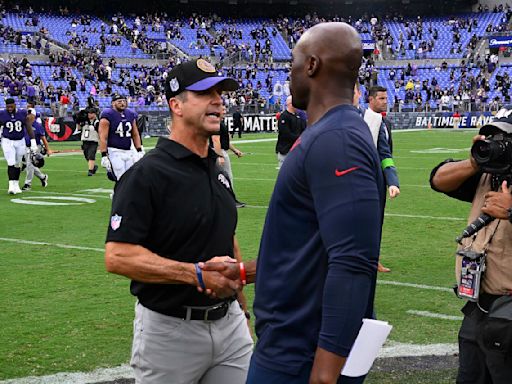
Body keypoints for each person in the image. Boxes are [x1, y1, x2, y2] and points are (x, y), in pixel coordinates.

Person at [222, 22, 383, 384]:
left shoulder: (337, 138)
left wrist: (325, 374)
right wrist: (245, 272)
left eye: (293, 60)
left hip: (300, 354)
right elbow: (312, 247)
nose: (289, 70)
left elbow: (353, 261)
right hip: (291, 345)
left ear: (311, 65)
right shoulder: (329, 133)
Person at [104, 58, 253, 384]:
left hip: (229, 326)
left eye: (220, 92)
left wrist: (242, 309)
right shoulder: (146, 175)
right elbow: (117, 256)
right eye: (204, 93)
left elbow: (228, 237)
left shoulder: (216, 168)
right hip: (170, 331)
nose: (218, 100)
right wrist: (195, 274)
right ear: (176, 105)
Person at [430, 110, 512, 384]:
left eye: (504, 139)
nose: (496, 143)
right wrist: (474, 162)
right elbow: (438, 179)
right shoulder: (489, 173)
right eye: (494, 137)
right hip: (479, 305)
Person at [362, 85, 400, 273]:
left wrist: (391, 181)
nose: (386, 102)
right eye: (382, 99)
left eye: (386, 98)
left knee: (376, 221)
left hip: (378, 181)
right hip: (362, 179)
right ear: (370, 99)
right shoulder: (360, 120)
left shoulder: (386, 123)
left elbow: (386, 154)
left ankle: (373, 259)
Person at [99, 94, 143, 182]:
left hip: (129, 150)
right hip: (114, 151)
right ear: (113, 103)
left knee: (130, 178)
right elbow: (103, 137)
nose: (122, 103)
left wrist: (139, 149)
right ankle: (118, 195)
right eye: (119, 102)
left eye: (124, 101)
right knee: (121, 178)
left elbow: (135, 134)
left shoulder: (130, 114)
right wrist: (104, 155)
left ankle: (122, 195)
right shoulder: (108, 114)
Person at [212, 105, 246, 208]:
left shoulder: (220, 123)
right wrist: (220, 155)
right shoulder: (216, 123)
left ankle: (222, 199)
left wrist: (235, 150)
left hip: (220, 151)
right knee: (226, 177)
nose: (225, 111)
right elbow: (216, 140)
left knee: (220, 177)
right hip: (219, 151)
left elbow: (225, 141)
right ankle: (230, 200)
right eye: (223, 109)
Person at [0, 98, 36, 194]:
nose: (10, 108)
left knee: (17, 164)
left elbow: (28, 127)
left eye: (11, 106)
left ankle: (16, 184)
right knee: (11, 162)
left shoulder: (22, 113)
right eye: (8, 107)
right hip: (8, 141)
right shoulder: (2, 114)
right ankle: (11, 185)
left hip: (20, 141)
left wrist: (33, 141)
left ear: (15, 105)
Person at [22, 107, 50, 190]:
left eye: (29, 114)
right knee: (30, 165)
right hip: (25, 146)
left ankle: (28, 184)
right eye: (27, 114)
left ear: (33, 115)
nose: (28, 116)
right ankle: (43, 177)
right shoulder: (24, 124)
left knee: (30, 165)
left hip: (35, 147)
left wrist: (48, 149)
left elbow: (43, 138)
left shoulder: (37, 125)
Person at [275, 95, 306, 170]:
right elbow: (286, 134)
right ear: (291, 104)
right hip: (285, 150)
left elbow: (304, 129)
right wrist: (300, 139)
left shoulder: (298, 116)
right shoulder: (284, 116)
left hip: (296, 150)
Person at [79, 108, 100, 176]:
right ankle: (93, 167)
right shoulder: (84, 121)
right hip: (85, 140)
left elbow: (100, 132)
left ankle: (90, 171)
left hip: (93, 141)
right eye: (89, 113)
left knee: (91, 155)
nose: (89, 115)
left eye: (91, 113)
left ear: (94, 114)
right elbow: (79, 128)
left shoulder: (97, 122)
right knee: (87, 156)